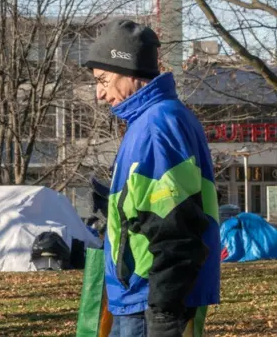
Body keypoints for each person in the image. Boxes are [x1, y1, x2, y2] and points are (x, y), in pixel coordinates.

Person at [82, 20, 220, 337]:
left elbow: (176, 223)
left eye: (103, 80)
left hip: (148, 303)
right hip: (141, 298)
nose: (99, 93)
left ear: (129, 69)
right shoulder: (152, 120)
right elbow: (162, 205)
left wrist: (164, 312)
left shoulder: (158, 124)